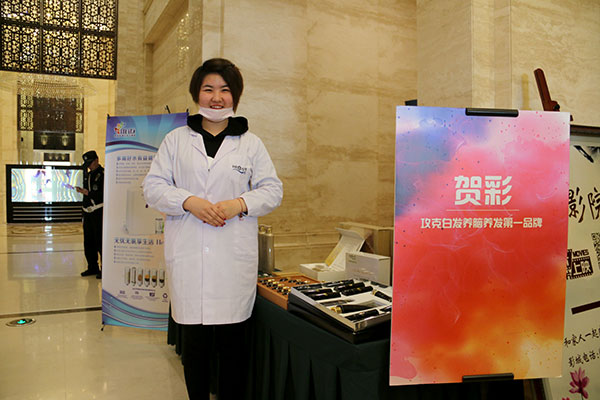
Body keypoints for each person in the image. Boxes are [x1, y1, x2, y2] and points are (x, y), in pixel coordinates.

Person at [142, 58, 283, 400]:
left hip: (232, 263)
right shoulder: (176, 140)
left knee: (234, 351)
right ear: (197, 94)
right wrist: (189, 201)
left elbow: (272, 190)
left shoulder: (251, 143)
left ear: (235, 96)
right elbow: (153, 187)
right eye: (208, 89)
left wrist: (240, 203)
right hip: (189, 258)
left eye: (225, 90)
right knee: (195, 351)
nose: (216, 98)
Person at [77, 150, 104, 279]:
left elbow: (103, 194)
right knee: (88, 241)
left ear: (96, 160)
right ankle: (92, 266)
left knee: (100, 241)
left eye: (90, 163)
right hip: (87, 212)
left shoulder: (103, 175)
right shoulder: (87, 175)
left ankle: (104, 269)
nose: (89, 166)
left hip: (98, 212)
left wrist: (88, 193)